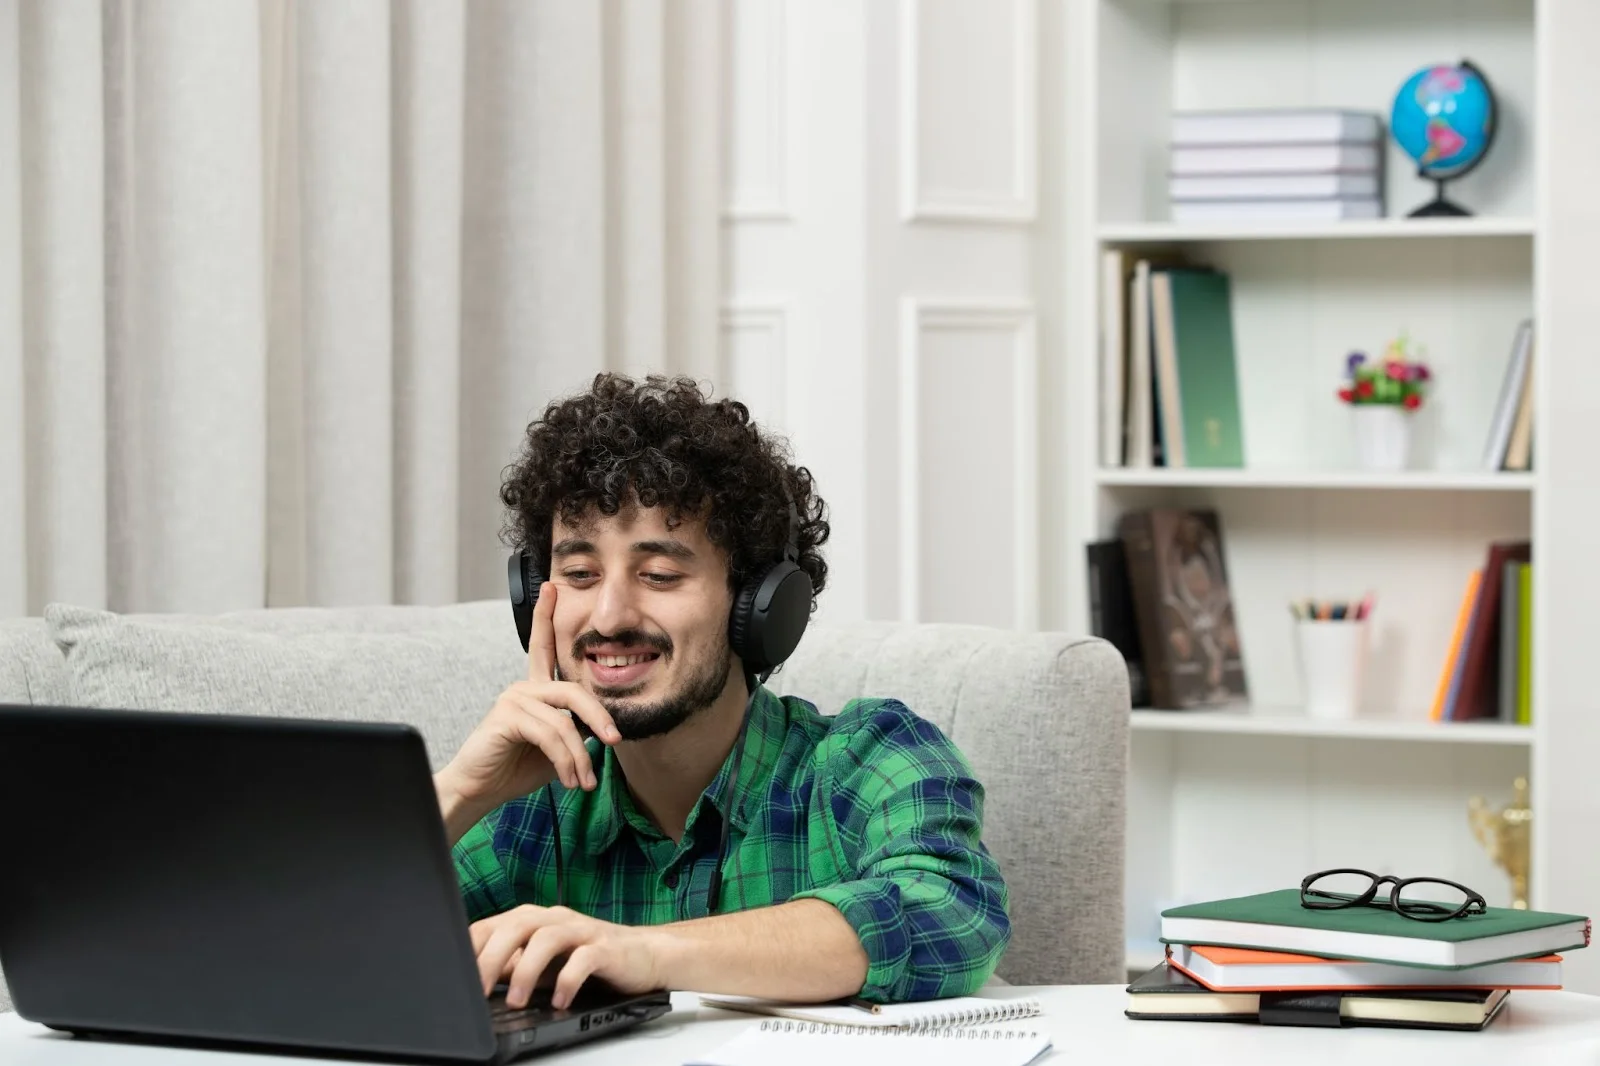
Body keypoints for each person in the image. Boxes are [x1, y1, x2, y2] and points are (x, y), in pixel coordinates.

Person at [432, 373, 1010, 1013]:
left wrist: (644, 953)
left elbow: (952, 915)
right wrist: (459, 791)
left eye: (658, 574)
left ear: (759, 605)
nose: (609, 615)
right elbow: (321, 949)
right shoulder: (530, 811)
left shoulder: (867, 759)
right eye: (578, 574)